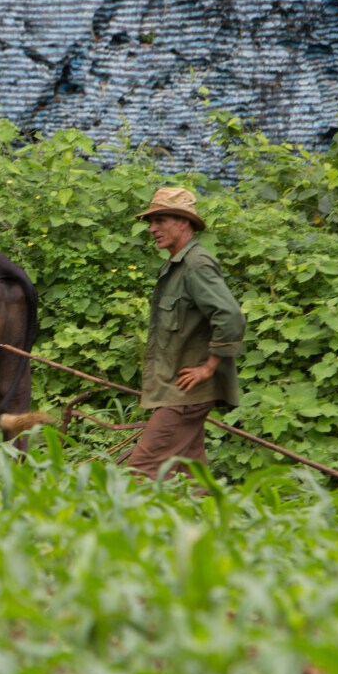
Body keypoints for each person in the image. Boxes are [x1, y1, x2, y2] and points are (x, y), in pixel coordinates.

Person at [123, 187, 245, 482]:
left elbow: (230, 316)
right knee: (190, 478)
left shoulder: (196, 264)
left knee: (141, 471)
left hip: (185, 393)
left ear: (183, 222)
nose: (152, 229)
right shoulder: (177, 264)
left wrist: (208, 368)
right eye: (151, 222)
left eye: (160, 220)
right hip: (178, 389)